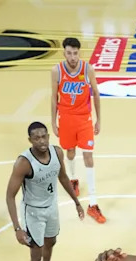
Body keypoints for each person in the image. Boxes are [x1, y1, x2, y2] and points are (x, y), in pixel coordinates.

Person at [5, 121, 84, 261]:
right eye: (37, 138)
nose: (42, 141)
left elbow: (63, 178)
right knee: (35, 253)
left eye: (44, 136)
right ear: (30, 140)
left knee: (52, 241)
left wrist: (76, 202)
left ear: (49, 136)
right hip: (33, 213)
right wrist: (17, 228)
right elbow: (9, 195)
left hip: (51, 208)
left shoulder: (57, 153)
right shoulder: (24, 162)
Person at [51, 37, 104, 224]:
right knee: (70, 152)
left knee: (89, 156)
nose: (72, 57)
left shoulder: (87, 69)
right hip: (65, 119)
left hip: (84, 119)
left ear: (79, 53)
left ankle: (93, 203)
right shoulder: (56, 71)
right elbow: (53, 96)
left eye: (75, 53)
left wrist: (98, 120)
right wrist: (53, 122)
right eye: (69, 53)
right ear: (64, 53)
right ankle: (73, 179)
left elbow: (96, 93)